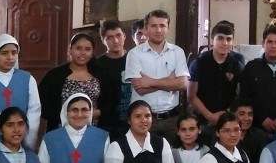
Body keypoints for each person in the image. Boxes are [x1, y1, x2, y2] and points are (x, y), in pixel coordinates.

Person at [124, 10, 188, 140]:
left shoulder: (177, 52)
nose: (158, 30)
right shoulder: (134, 54)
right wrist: (170, 82)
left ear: (168, 28)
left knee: (172, 153)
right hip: (144, 119)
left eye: (162, 26)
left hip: (172, 118)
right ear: (146, 29)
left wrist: (150, 81)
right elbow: (140, 89)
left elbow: (182, 84)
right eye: (154, 26)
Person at [38, 33, 102, 132]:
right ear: (70, 49)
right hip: (60, 129)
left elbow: (109, 102)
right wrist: (66, 117)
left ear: (92, 52)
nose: (83, 53)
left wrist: (96, 113)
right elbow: (41, 104)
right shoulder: (55, 75)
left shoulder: (100, 73)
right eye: (78, 48)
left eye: (87, 49)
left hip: (93, 130)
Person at [188, 21, 242, 128]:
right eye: (220, 38)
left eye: (229, 39)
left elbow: (241, 95)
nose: (225, 43)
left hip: (228, 119)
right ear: (212, 40)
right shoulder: (199, 63)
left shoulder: (237, 65)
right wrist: (210, 116)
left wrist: (228, 114)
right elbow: (191, 96)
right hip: (202, 120)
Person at [91, 19, 127, 139]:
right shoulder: (97, 65)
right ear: (103, 40)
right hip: (106, 123)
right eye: (110, 38)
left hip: (132, 120)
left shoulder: (134, 59)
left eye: (118, 35)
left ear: (124, 36)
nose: (115, 41)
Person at [235, 98, 270, 163]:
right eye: (242, 114)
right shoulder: (223, 136)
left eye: (250, 114)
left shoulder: (260, 136)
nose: (247, 118)